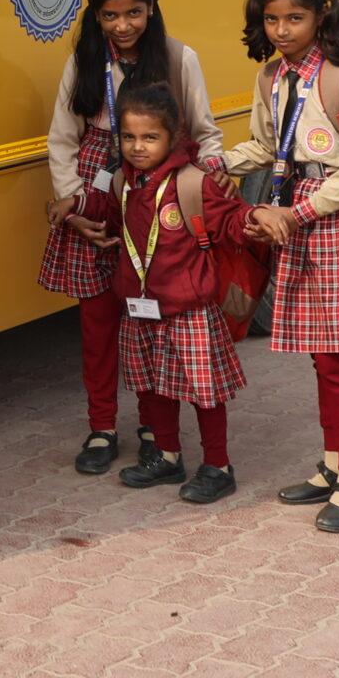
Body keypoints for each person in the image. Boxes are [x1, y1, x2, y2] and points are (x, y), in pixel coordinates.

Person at [217, 0, 339, 534]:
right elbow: (268, 146)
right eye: (272, 19)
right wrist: (216, 162)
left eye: (294, 18)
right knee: (320, 354)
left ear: (322, 15)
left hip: (336, 220)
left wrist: (296, 214)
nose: (281, 30)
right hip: (296, 216)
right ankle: (333, 466)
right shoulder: (272, 77)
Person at [38, 0, 223, 476]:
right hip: (94, 202)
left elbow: (205, 135)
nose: (122, 26)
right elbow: (62, 139)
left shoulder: (179, 58)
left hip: (158, 201)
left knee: (149, 322)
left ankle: (153, 430)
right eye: (110, 15)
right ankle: (101, 426)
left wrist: (209, 185)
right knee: (97, 323)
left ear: (152, 9)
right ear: (96, 16)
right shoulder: (83, 60)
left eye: (134, 13)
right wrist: (74, 206)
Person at [75, 83, 253, 503]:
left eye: (150, 137)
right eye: (129, 137)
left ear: (173, 137)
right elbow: (110, 216)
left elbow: (231, 221)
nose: (138, 146)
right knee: (153, 386)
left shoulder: (194, 183)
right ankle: (167, 456)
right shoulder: (123, 181)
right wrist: (75, 207)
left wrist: (257, 217)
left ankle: (218, 466)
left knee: (204, 392)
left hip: (190, 309)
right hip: (141, 309)